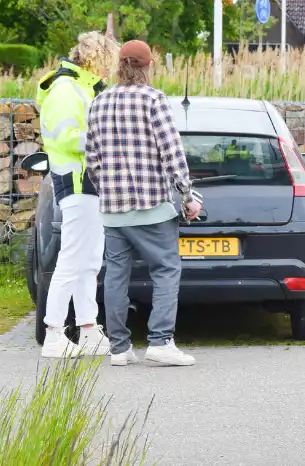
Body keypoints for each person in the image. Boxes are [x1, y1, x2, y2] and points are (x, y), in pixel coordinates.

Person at [85, 39, 203, 368]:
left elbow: (92, 160)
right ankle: (161, 341)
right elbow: (172, 154)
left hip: (113, 212)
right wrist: (187, 196)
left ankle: (119, 348)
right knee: (166, 269)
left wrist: (107, 191)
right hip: (152, 206)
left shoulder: (100, 102)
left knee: (115, 277)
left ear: (119, 66)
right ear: (148, 66)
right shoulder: (154, 100)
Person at [34, 31, 119, 358]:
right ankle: (54, 332)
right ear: (97, 59)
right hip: (78, 180)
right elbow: (66, 138)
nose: (110, 70)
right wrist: (108, 141)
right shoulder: (66, 89)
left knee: (89, 259)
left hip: (89, 181)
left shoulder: (80, 87)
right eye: (108, 62)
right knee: (73, 257)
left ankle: (87, 328)